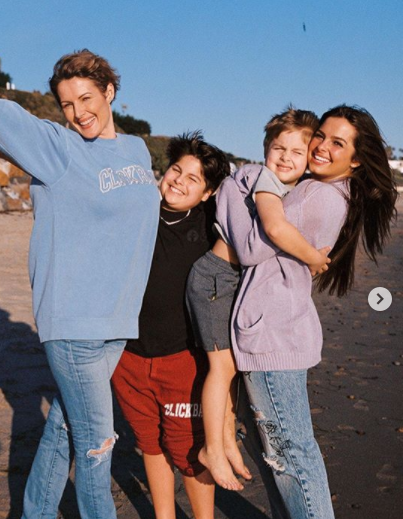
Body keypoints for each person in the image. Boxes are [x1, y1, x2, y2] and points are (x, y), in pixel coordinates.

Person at [0, 50, 160, 519]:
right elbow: (0, 112)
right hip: (73, 324)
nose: (78, 112)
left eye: (87, 97)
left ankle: (34, 512)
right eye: (67, 103)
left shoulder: (136, 150)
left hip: (118, 320)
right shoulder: (59, 146)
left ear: (110, 92)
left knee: (64, 428)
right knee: (97, 445)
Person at [217, 105, 397, 518]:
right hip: (277, 330)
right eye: (321, 136)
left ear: (355, 158)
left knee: (290, 457)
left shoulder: (317, 196)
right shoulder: (326, 191)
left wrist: (233, 187)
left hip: (272, 335)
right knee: (280, 453)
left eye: (338, 143)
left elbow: (249, 248)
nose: (321, 147)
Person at [186, 108, 330, 491]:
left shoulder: (287, 191)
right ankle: (211, 448)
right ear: (265, 148)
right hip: (217, 277)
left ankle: (226, 441)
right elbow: (250, 249)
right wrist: (302, 247)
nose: (285, 157)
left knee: (233, 367)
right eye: (278, 147)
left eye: (296, 152)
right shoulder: (253, 178)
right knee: (222, 368)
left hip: (234, 282)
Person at [111, 131, 239, 519]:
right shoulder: (137, 211)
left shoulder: (213, 224)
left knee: (188, 449)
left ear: (207, 193)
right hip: (128, 358)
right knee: (150, 444)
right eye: (176, 169)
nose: (179, 180)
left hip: (182, 360)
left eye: (193, 178)